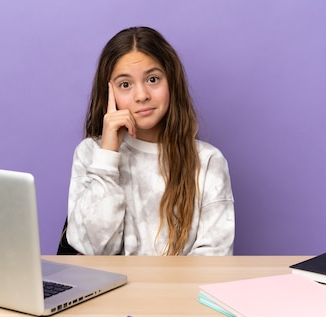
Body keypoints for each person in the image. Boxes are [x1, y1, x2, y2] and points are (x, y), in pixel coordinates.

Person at [65, 26, 234, 255]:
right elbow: (94, 250)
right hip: (112, 291)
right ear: (110, 93)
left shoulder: (207, 161)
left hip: (180, 291)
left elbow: (215, 256)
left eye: (153, 79)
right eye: (126, 84)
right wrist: (107, 157)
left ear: (171, 83)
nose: (142, 95)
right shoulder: (91, 153)